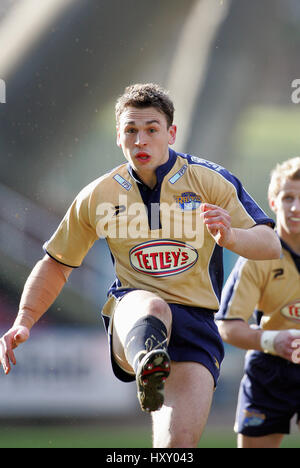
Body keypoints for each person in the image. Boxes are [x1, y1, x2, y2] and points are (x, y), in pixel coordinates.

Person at [0, 83, 281, 448]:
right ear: (119, 137)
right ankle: (150, 361)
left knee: (177, 446)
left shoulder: (210, 180)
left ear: (171, 134)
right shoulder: (100, 194)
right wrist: (23, 320)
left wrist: (231, 238)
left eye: (151, 129)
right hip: (133, 316)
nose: (141, 140)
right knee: (152, 305)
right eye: (131, 130)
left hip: (197, 324)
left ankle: (155, 368)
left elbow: (270, 244)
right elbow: (56, 263)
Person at [216, 157, 300, 448]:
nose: (296, 207)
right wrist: (274, 340)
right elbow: (228, 327)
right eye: (288, 197)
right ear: (273, 202)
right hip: (270, 369)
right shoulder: (257, 256)